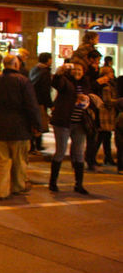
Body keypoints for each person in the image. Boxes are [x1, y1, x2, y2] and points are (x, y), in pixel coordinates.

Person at [0, 54, 42, 200]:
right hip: (20, 128)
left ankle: (1, 191)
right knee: (19, 160)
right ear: (16, 65)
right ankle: (18, 186)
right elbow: (31, 106)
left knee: (1, 162)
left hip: (0, 128)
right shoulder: (23, 82)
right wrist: (37, 125)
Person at [49, 61, 91, 194]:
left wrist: (86, 99)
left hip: (80, 122)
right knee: (60, 151)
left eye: (80, 70)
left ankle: (79, 184)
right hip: (63, 122)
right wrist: (59, 72)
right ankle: (53, 182)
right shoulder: (65, 81)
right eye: (75, 70)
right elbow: (56, 83)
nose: (77, 72)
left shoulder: (85, 83)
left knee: (79, 153)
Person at [29, 52, 54, 152]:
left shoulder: (34, 69)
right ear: (48, 60)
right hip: (40, 102)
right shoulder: (45, 72)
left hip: (32, 100)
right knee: (40, 123)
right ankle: (37, 145)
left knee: (34, 123)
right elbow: (45, 91)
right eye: (50, 59)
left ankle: (33, 145)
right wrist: (50, 104)